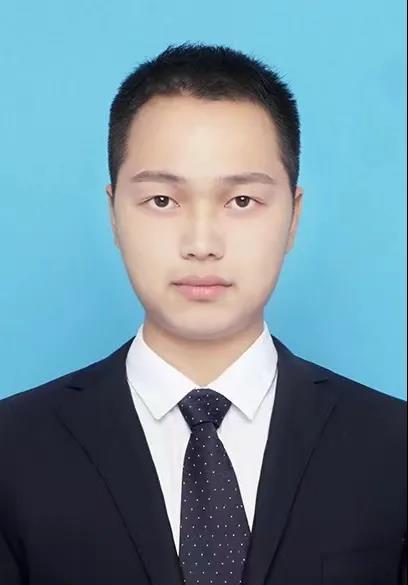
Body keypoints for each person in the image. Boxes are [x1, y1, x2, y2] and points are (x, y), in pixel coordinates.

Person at [0, 42, 406, 585]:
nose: (201, 244)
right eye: (162, 201)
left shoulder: (393, 447)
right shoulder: (12, 450)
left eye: (241, 201)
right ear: (114, 214)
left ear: (293, 217)